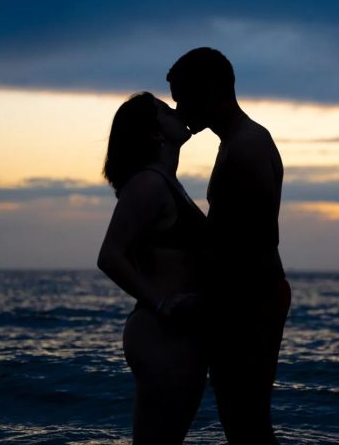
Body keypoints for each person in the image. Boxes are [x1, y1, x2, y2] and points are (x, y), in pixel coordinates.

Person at [167, 47, 291, 444]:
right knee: (244, 418)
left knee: (245, 419)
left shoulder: (244, 148)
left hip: (249, 300)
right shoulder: (245, 140)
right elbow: (229, 229)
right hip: (253, 295)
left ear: (210, 90)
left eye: (182, 98)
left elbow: (243, 243)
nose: (178, 110)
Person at [97, 92, 208, 445]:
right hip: (162, 335)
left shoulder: (166, 182)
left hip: (174, 335)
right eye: (166, 110)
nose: (178, 110)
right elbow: (110, 255)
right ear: (157, 134)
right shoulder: (149, 183)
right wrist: (161, 302)